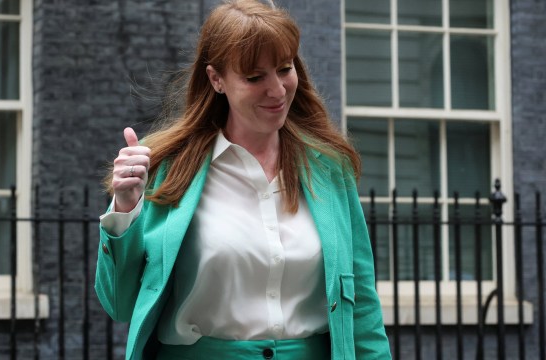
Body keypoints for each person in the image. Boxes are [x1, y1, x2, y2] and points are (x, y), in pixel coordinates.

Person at [95, 0, 391, 359]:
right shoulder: (168, 169)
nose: (278, 90)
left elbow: (361, 305)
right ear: (216, 79)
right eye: (254, 77)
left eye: (285, 68)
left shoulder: (329, 169)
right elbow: (119, 303)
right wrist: (125, 209)